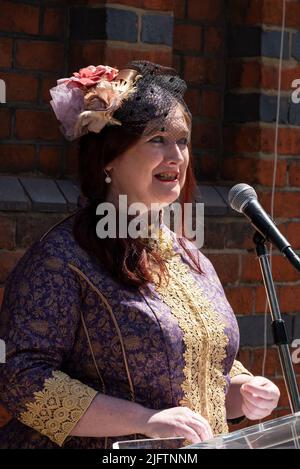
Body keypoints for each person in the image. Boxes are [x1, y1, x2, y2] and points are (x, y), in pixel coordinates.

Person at [0, 61, 280, 449]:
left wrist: (244, 391)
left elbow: (199, 374)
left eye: (182, 141)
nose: (176, 156)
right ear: (109, 158)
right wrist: (145, 421)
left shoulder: (188, 256)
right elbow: (20, 379)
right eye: (157, 139)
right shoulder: (62, 258)